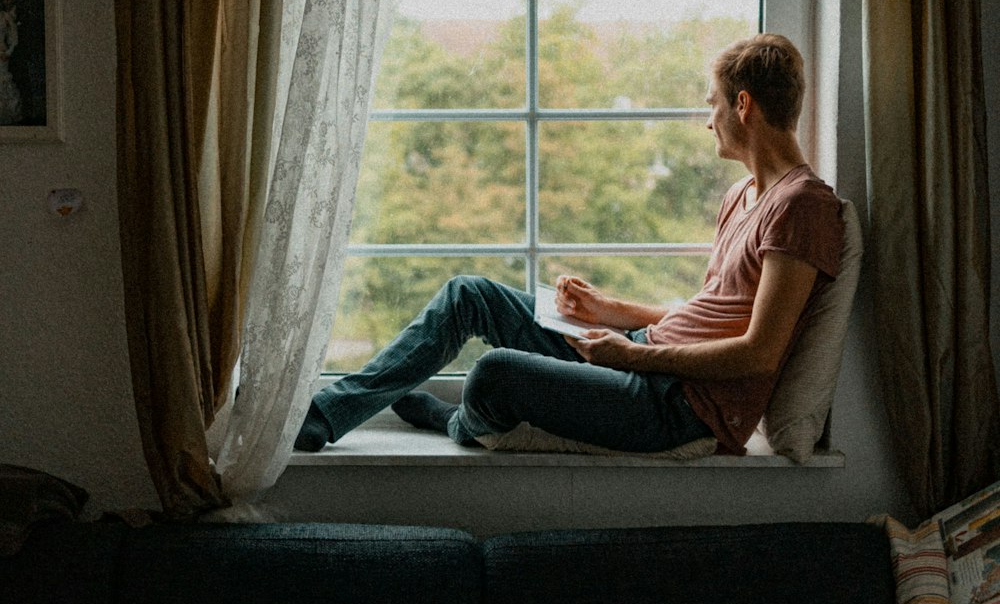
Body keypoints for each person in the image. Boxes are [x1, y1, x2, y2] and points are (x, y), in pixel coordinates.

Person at [295, 33, 843, 458]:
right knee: (470, 296)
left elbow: (759, 351)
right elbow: (710, 312)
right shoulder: (743, 194)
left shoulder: (803, 205)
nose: (708, 121)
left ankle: (453, 423)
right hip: (645, 359)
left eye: (713, 104)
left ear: (743, 105)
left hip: (679, 407)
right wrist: (612, 312)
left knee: (493, 375)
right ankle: (324, 415)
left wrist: (636, 355)